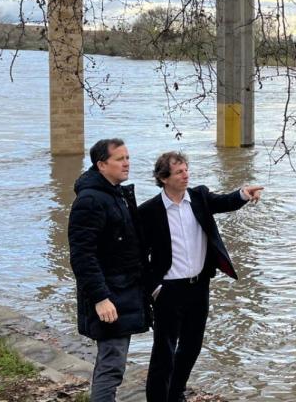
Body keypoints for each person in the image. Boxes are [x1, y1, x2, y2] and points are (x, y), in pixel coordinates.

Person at [137, 151, 263, 402]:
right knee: (164, 350)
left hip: (199, 286)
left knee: (192, 346)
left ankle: (176, 393)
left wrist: (244, 194)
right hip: (168, 290)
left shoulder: (199, 197)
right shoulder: (149, 211)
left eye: (186, 169)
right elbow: (138, 256)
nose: (186, 175)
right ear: (163, 178)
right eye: (179, 172)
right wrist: (154, 288)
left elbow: (225, 202)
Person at [68, 138, 151, 402]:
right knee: (111, 364)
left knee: (114, 362)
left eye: (127, 157)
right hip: (110, 296)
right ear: (102, 165)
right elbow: (82, 256)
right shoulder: (90, 200)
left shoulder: (116, 194)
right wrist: (101, 298)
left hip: (125, 292)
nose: (126, 163)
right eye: (120, 159)